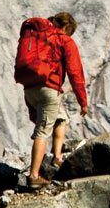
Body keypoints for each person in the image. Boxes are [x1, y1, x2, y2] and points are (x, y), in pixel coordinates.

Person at [20, 11, 89, 187]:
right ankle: (34, 176)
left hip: (29, 89)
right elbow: (75, 73)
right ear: (66, 27)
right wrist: (83, 102)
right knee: (42, 132)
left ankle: (57, 158)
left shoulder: (36, 36)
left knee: (61, 118)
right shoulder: (64, 41)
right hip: (49, 89)